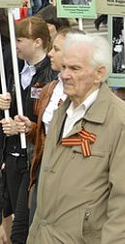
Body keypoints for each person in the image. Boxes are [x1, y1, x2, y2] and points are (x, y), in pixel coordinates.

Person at [27, 33, 125, 243]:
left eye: (75, 69)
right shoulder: (61, 112)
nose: (64, 75)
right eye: (64, 67)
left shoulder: (121, 121)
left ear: (99, 73)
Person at [8, 27, 82, 244]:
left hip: (66, 173)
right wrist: (30, 128)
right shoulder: (51, 88)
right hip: (39, 166)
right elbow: (45, 130)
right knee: (21, 231)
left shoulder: (82, 92)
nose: (50, 53)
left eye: (56, 49)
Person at [0, 17, 57, 241]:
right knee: (14, 215)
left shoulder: (51, 75)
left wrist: (24, 127)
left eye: (20, 40)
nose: (15, 45)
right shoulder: (14, 70)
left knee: (23, 226)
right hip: (12, 156)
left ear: (37, 42)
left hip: (34, 157)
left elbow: (48, 120)